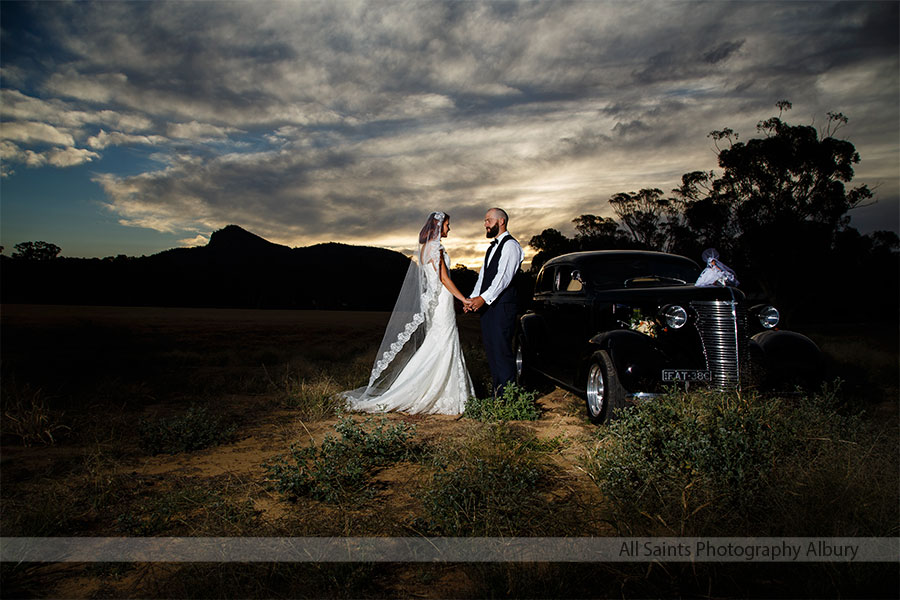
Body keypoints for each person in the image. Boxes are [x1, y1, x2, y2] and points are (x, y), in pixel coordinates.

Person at [342, 211, 475, 415]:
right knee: (444, 339)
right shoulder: (436, 247)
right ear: (438, 226)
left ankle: (441, 390)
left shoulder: (424, 249)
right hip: (442, 300)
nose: (449, 228)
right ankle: (437, 392)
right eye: (447, 224)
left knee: (438, 341)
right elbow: (444, 279)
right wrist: (463, 298)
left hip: (435, 300)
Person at [465, 208, 524, 396]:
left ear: (501, 221)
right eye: (485, 220)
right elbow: (483, 277)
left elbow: (503, 278)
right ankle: (497, 396)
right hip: (489, 307)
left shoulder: (510, 246)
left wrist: (483, 299)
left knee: (502, 352)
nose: (485, 224)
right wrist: (472, 298)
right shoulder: (492, 247)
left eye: (489, 220)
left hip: (502, 307)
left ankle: (508, 399)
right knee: (492, 352)